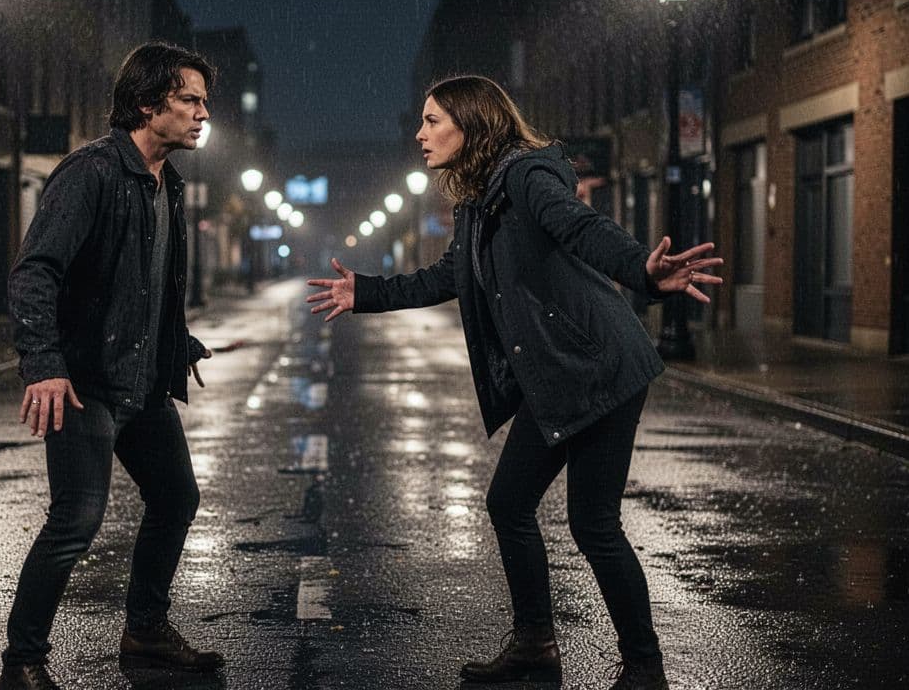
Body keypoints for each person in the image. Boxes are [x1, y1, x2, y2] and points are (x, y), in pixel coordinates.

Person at [306, 75, 721, 690]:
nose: (420, 134)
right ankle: (535, 644)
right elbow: (451, 275)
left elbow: (580, 228)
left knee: (594, 525)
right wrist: (366, 291)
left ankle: (644, 667)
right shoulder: (479, 198)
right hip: (555, 373)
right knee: (509, 503)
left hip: (600, 366)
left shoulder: (527, 176)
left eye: (432, 121)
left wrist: (640, 267)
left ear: (471, 124)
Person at [0, 42, 223, 690]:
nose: (202, 113)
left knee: (176, 498)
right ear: (149, 103)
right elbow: (35, 271)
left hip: (142, 384)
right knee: (76, 520)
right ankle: (23, 664)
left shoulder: (166, 183)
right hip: (86, 384)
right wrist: (43, 364)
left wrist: (174, 343)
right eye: (190, 100)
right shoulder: (91, 172)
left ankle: (146, 629)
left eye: (204, 101)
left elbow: (147, 282)